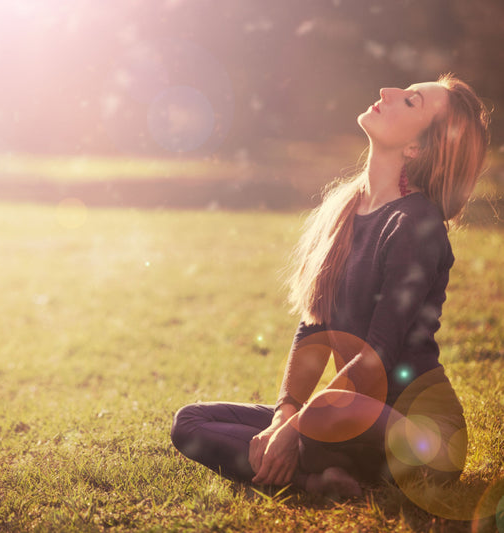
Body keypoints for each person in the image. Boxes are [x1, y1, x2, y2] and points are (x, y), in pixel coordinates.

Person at [170, 74, 490, 499]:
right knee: (190, 423)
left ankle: (314, 459)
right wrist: (285, 414)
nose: (386, 92)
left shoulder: (416, 224)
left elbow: (377, 357)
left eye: (410, 102)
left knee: (321, 411)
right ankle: (321, 480)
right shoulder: (345, 208)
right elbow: (314, 327)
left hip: (421, 439)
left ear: (416, 148)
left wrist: (299, 425)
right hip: (343, 417)